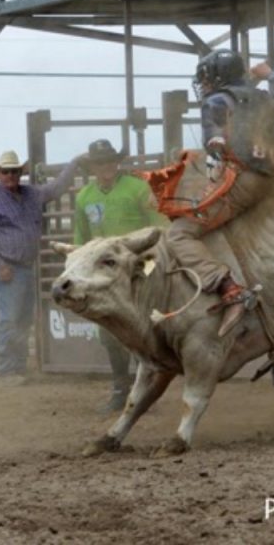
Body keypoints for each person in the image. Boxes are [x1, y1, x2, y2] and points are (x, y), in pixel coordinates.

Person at [167, 49, 274, 337]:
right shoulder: (263, 97)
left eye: (205, 78)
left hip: (242, 182)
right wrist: (269, 74)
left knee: (178, 234)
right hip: (271, 179)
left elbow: (215, 139)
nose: (202, 84)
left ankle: (229, 289)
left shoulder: (216, 101)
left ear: (217, 77)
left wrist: (206, 154)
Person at [74, 139, 168, 411]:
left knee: (145, 327)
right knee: (109, 331)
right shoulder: (84, 197)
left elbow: (159, 227)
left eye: (110, 161)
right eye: (100, 162)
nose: (106, 167)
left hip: (139, 268)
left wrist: (151, 267)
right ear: (93, 166)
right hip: (105, 275)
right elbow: (82, 239)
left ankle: (147, 391)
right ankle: (120, 389)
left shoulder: (138, 189)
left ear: (117, 163)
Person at [0, 150, 83, 385]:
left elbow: (56, 189)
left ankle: (18, 367)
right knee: (9, 319)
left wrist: (73, 163)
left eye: (14, 171)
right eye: (6, 171)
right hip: (8, 268)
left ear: (19, 173)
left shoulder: (31, 194)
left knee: (22, 319)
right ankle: (6, 369)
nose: (11, 175)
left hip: (25, 267)